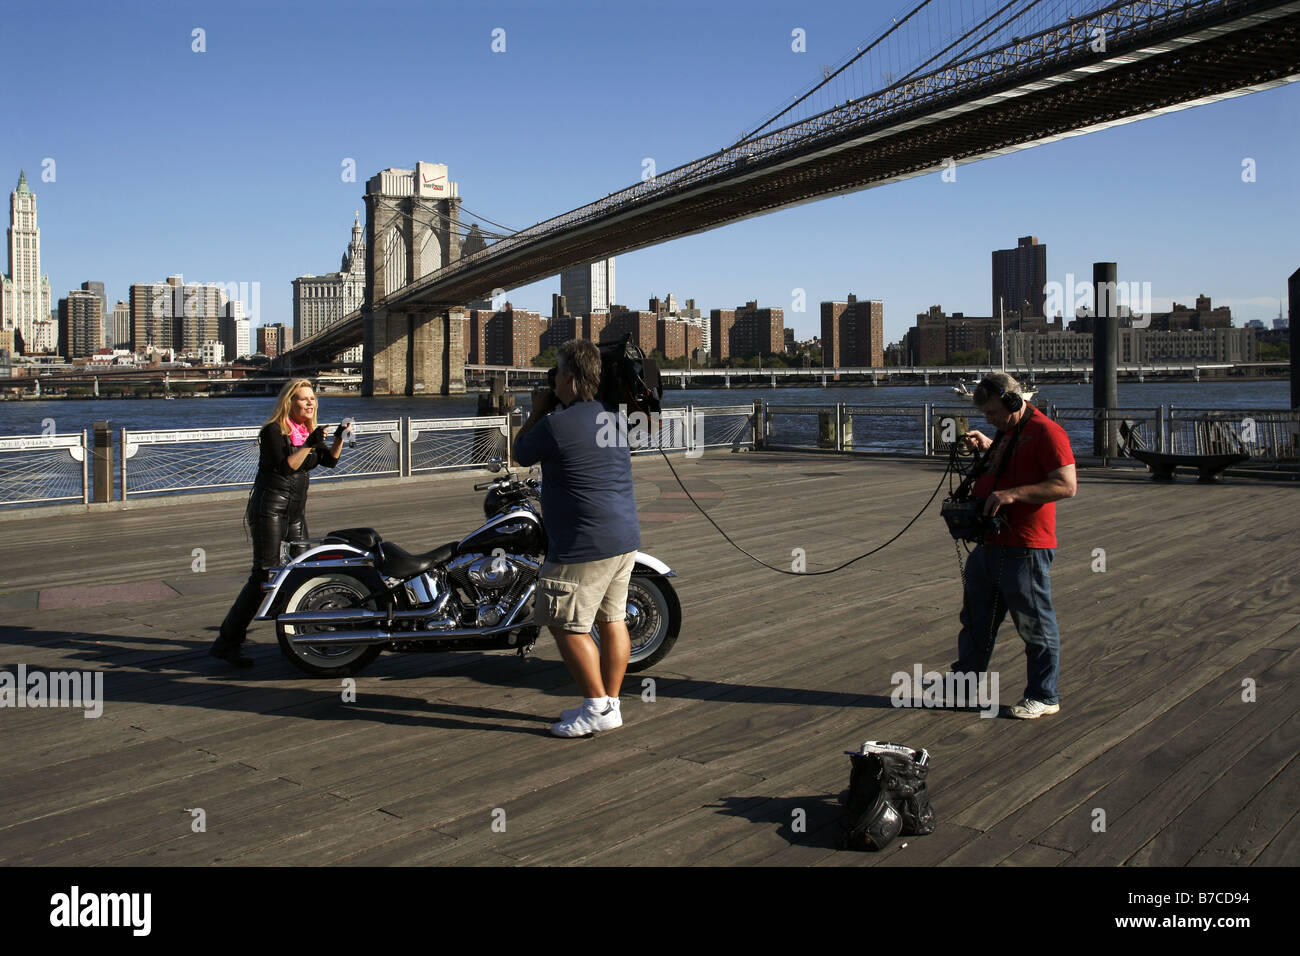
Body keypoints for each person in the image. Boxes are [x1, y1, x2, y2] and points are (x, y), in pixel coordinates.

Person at [511, 339, 641, 737]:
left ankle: (596, 707)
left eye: (557, 371)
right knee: (613, 619)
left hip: (584, 543)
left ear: (567, 377)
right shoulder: (611, 418)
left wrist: (536, 411)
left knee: (564, 622)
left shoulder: (555, 424)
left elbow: (520, 453)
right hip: (624, 538)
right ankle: (610, 704)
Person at [953, 371, 1076, 718]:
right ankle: (963, 688)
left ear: (1012, 401)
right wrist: (989, 447)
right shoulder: (1009, 433)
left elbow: (1066, 485)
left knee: (1034, 623)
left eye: (992, 413)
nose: (989, 420)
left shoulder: (1048, 432)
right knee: (976, 618)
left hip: (1026, 545)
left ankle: (1044, 695)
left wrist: (1013, 494)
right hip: (991, 542)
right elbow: (1017, 465)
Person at [210, 378, 346, 666]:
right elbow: (287, 466)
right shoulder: (274, 431)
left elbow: (330, 461)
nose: (310, 403)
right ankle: (227, 640)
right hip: (269, 509)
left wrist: (340, 438)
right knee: (263, 574)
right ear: (289, 403)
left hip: (295, 513)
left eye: (313, 399)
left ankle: (305, 634)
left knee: (306, 570)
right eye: (303, 399)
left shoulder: (304, 431)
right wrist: (310, 443)